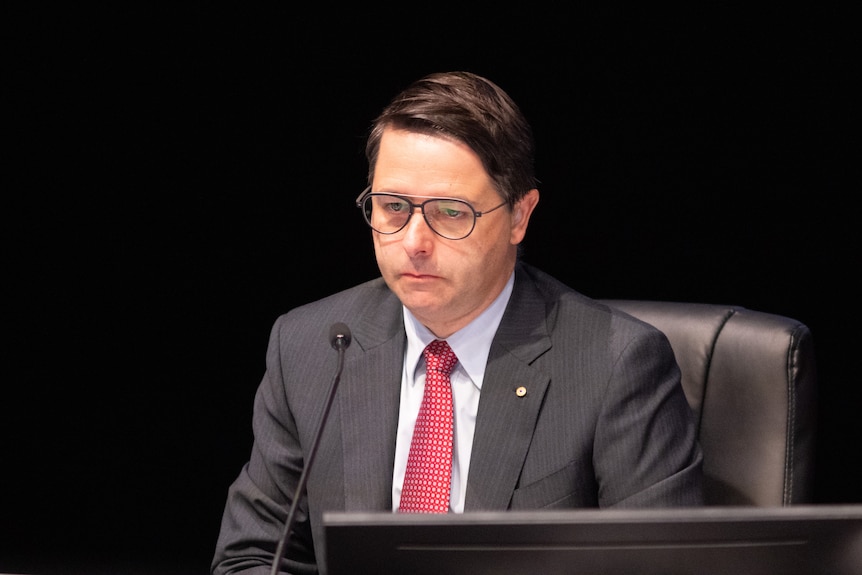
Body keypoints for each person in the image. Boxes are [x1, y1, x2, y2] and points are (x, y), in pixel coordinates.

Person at [211, 71, 703, 574]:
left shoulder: (615, 364)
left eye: (450, 213)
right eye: (393, 208)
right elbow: (251, 557)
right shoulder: (311, 348)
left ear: (519, 216)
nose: (414, 242)